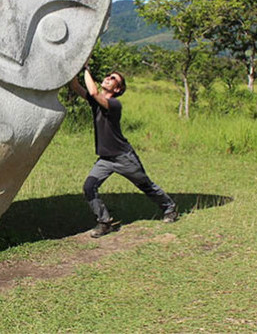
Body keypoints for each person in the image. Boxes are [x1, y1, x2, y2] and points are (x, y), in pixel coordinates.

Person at [69, 66, 177, 238]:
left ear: (117, 89)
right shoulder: (96, 103)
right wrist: (74, 63)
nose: (108, 78)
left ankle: (169, 208)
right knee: (89, 187)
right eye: (108, 76)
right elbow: (75, 87)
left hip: (124, 157)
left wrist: (86, 69)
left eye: (113, 78)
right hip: (105, 159)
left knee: (146, 186)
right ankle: (104, 222)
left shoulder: (114, 104)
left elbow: (94, 92)